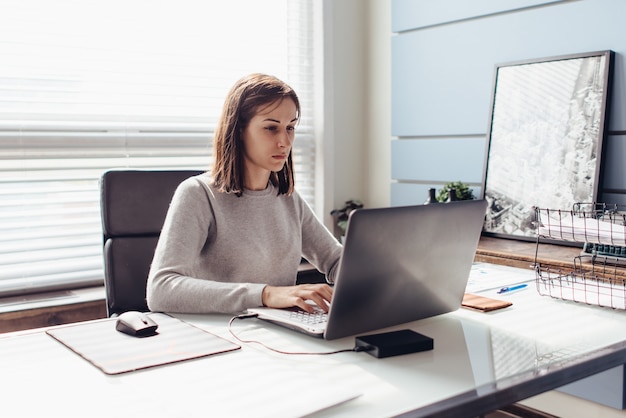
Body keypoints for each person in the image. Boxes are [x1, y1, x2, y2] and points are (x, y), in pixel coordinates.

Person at [147, 73, 342, 315]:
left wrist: (379, 273)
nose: (285, 141)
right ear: (239, 129)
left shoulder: (289, 200)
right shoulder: (198, 194)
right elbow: (161, 290)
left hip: (279, 333)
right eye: (271, 128)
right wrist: (265, 294)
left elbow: (336, 261)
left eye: (290, 127)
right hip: (222, 336)